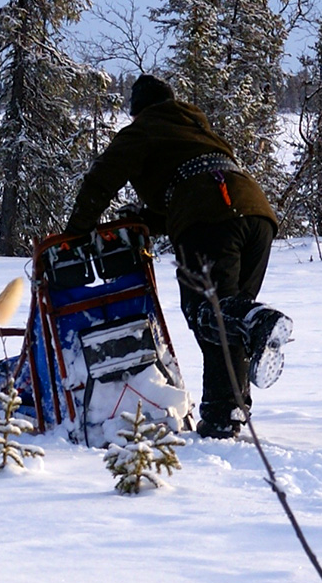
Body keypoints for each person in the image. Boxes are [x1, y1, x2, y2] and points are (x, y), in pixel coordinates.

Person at [63, 75, 290, 439]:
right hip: (257, 214)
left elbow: (100, 180)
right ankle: (223, 416)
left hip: (212, 215)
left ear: (138, 112)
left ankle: (257, 320)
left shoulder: (145, 128)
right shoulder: (196, 129)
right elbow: (189, 186)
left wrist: (76, 231)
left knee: (207, 312)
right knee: (224, 321)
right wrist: (144, 221)